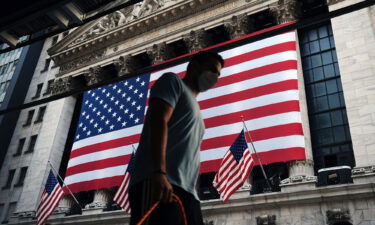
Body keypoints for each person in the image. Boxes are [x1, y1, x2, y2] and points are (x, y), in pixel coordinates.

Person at [128, 51, 224, 225]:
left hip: (187, 192)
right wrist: (159, 172)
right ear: (194, 65)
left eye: (218, 73)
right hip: (159, 181)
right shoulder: (172, 82)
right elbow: (159, 121)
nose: (215, 77)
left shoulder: (197, 109)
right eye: (211, 69)